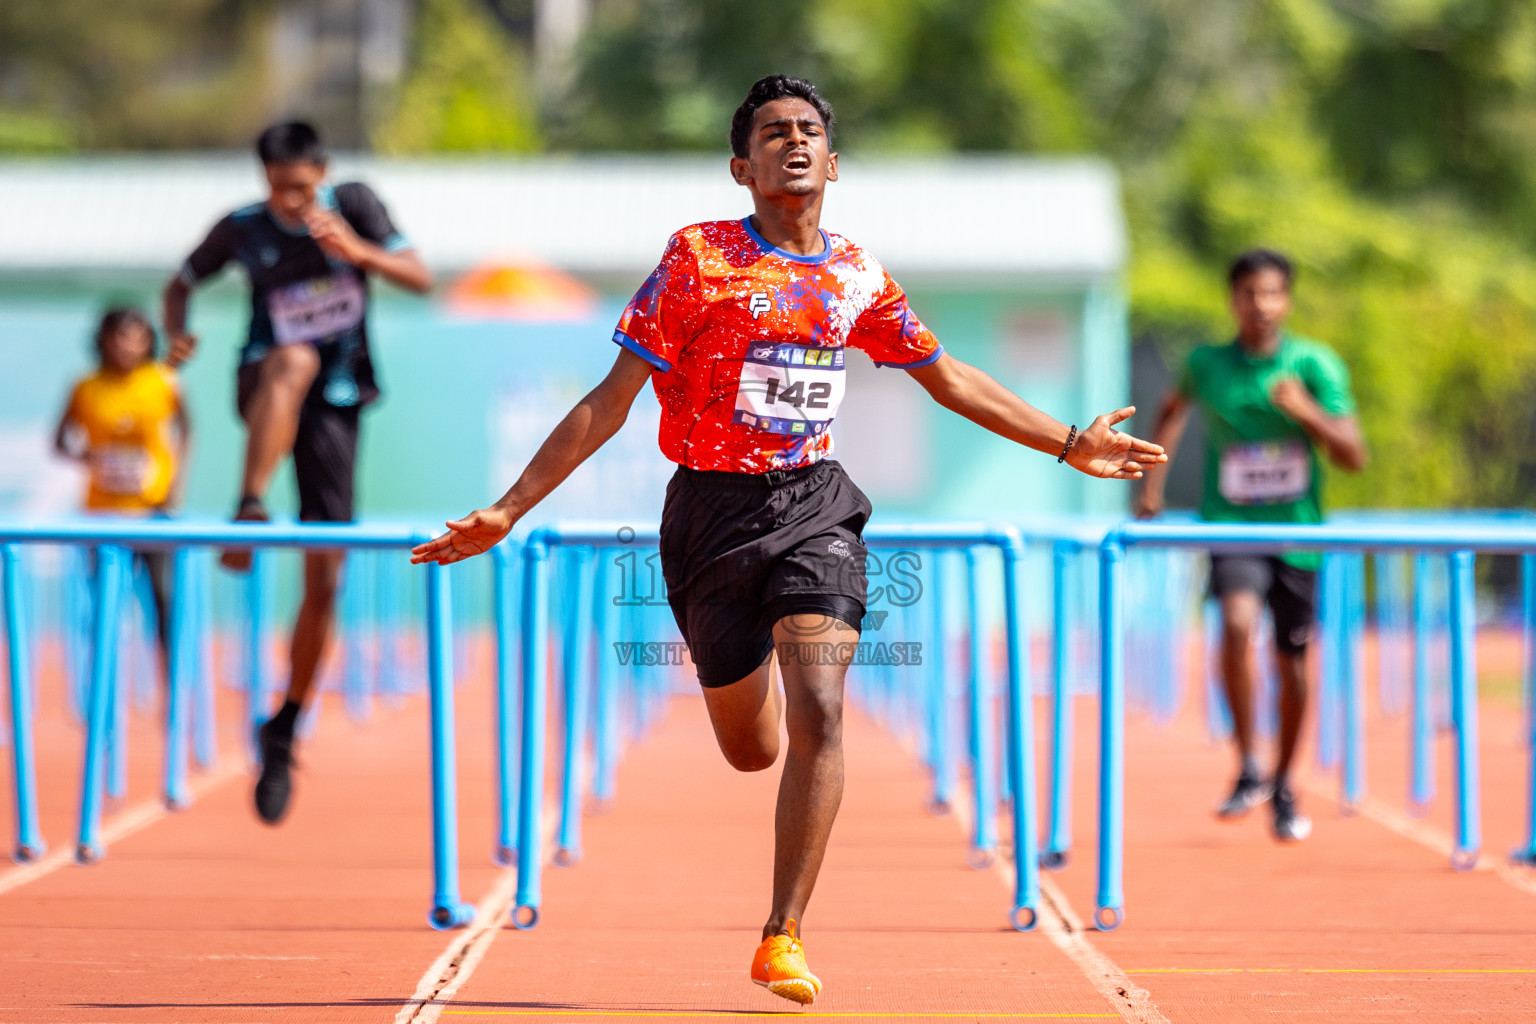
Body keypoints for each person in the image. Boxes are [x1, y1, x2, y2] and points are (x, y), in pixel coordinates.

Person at [412, 75, 1163, 1004]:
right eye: (773, 133)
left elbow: (951, 378)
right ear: (743, 165)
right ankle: (749, 711)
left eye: (809, 130)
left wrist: (1067, 442)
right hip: (706, 518)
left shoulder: (855, 274)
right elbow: (609, 402)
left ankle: (783, 934)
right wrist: (509, 506)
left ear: (834, 162)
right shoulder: (698, 261)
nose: (793, 142)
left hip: (815, 509)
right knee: (754, 749)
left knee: (822, 708)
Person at [161, 121, 432, 825]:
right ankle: (249, 505)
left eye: (301, 188)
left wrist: (357, 251)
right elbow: (180, 280)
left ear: (323, 172)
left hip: (338, 403)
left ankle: (284, 724)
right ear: (262, 180)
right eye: (277, 188)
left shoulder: (357, 204)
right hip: (265, 378)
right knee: (295, 359)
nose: (289, 200)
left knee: (326, 576)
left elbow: (421, 277)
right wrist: (178, 330)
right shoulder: (241, 227)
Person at [1135, 248, 1367, 843]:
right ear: (1233, 299)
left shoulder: (1314, 364)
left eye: (1272, 294)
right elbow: (1171, 409)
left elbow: (1353, 456)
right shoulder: (1208, 363)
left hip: (1296, 532)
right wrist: (1153, 483)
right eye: (1249, 294)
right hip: (1231, 525)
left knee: (1292, 665)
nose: (1261, 305)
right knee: (1236, 627)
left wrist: (1305, 411)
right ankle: (1247, 764)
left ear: (1286, 300)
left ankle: (1286, 780)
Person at [54, 306, 190, 670]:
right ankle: (102, 691)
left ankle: (174, 691)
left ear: (149, 342)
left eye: (137, 338)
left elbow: (187, 429)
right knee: (104, 605)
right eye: (120, 338)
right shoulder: (86, 387)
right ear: (104, 341)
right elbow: (60, 441)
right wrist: (90, 457)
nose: (128, 347)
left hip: (153, 512)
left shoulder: (163, 381)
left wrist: (176, 480)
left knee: (164, 601)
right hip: (103, 515)